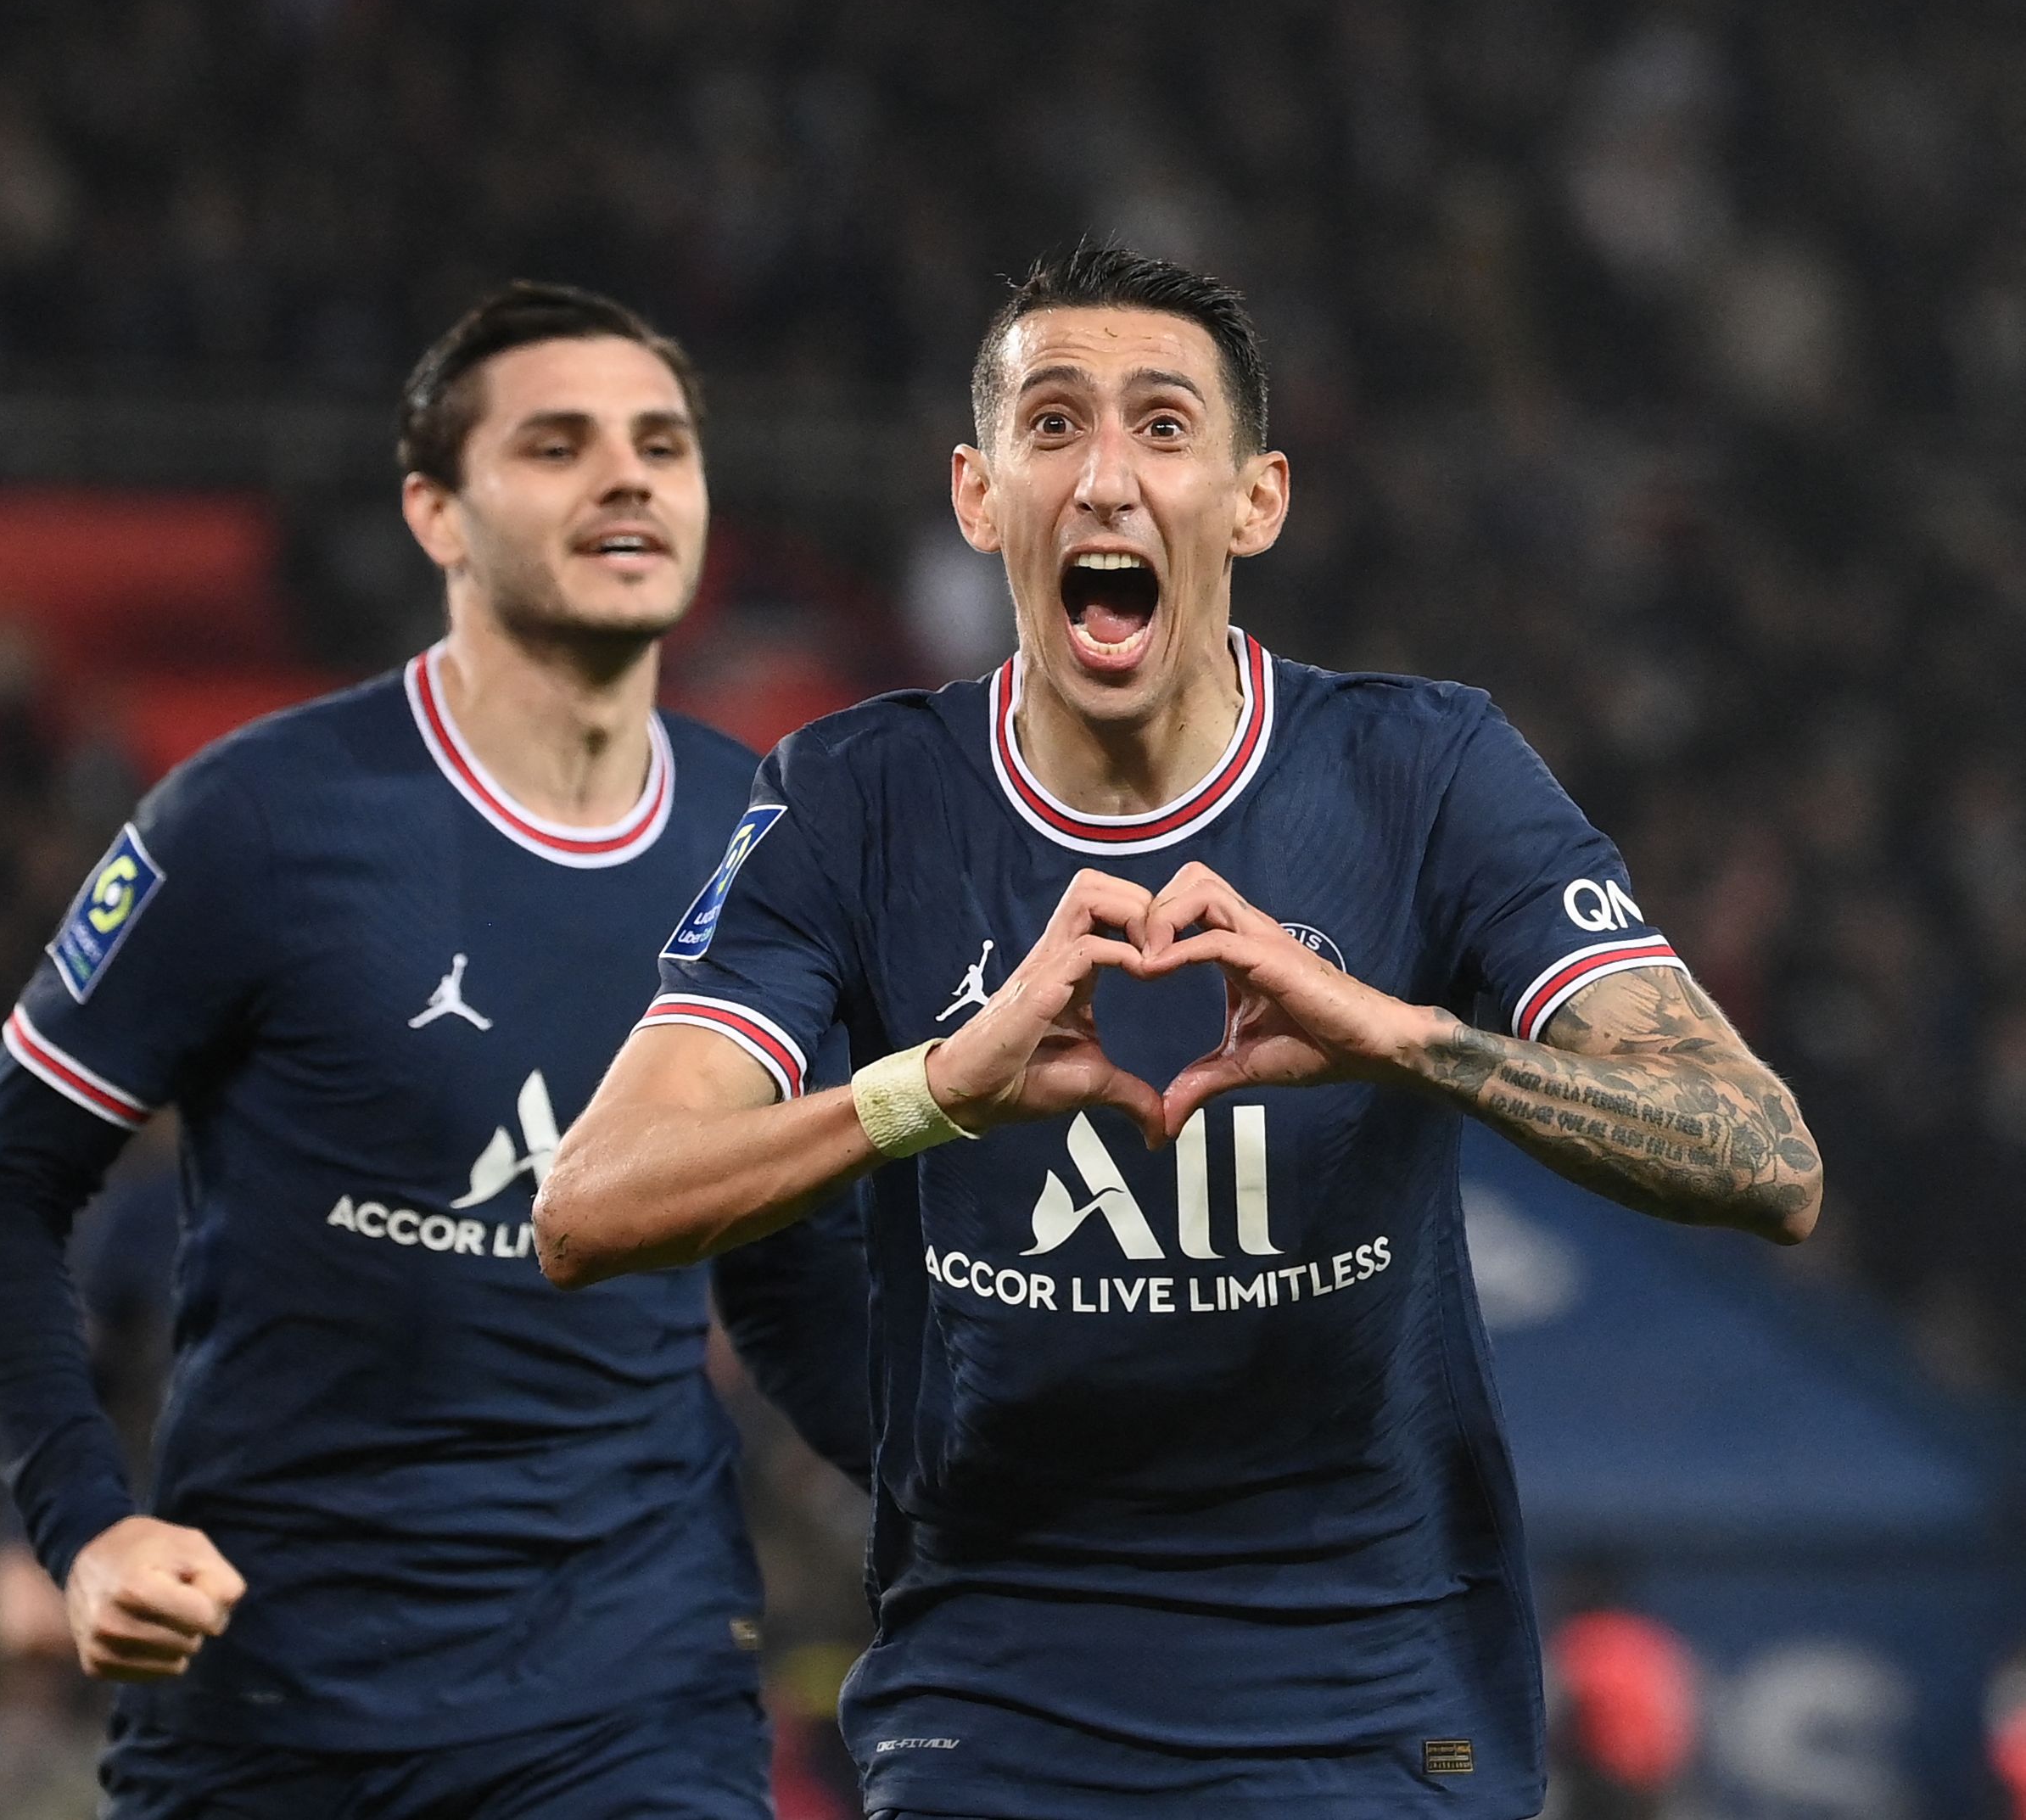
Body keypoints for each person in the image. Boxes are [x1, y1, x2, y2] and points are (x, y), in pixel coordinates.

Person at [535, 244, 1822, 1820]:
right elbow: (590, 1204)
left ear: (1257, 497)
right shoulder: (849, 801)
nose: (1104, 476)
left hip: (1377, 1715)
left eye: (1161, 425)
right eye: (1054, 422)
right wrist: (933, 1090)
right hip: (995, 1715)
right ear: (976, 492)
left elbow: (1766, 1158)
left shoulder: (1428, 774)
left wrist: (1407, 1039)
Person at [0, 281, 871, 1819]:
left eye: (663, 443)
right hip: (281, 1695)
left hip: (633, 1700)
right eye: (558, 445)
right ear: (435, 509)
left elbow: (789, 1273)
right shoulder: (255, 821)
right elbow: (0, 1181)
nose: (628, 477)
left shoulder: (777, 841)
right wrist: (82, 1524)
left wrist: (1004, 1505)